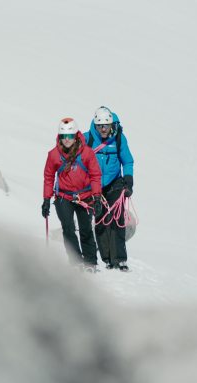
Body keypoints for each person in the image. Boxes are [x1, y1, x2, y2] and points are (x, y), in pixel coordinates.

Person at [42, 117, 103, 272]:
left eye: (69, 136)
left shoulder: (87, 153)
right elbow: (48, 177)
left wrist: (96, 196)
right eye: (63, 136)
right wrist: (46, 199)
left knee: (85, 229)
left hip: (85, 196)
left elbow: (96, 175)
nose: (66, 140)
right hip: (64, 197)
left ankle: (90, 262)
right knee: (68, 229)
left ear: (76, 135)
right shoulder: (54, 155)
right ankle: (76, 262)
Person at [84, 106, 135, 272]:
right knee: (99, 219)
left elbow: (127, 161)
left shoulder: (119, 138)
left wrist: (128, 181)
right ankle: (107, 258)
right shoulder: (88, 139)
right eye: (100, 126)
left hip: (115, 183)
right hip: (95, 184)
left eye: (106, 125)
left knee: (118, 219)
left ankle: (120, 259)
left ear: (112, 124)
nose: (103, 129)